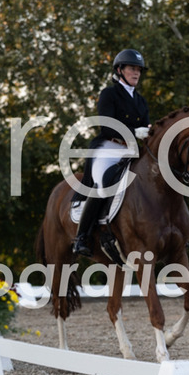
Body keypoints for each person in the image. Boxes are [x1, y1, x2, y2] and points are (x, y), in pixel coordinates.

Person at [73, 49, 150, 256]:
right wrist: (134, 132)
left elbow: (146, 128)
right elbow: (106, 126)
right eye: (132, 68)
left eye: (139, 70)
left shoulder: (141, 101)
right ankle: (82, 236)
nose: (136, 73)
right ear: (119, 70)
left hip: (131, 150)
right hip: (109, 147)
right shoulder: (109, 94)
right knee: (103, 183)